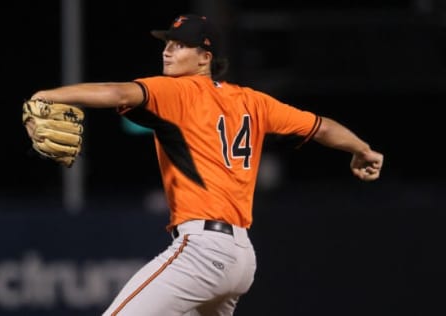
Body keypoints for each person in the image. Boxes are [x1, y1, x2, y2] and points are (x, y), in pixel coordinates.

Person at [25, 13, 383, 316]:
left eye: (179, 45)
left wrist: (46, 96)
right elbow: (321, 127)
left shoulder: (178, 91)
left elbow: (118, 92)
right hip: (241, 259)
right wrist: (362, 149)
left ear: (204, 57)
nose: (167, 50)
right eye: (167, 43)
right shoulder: (253, 102)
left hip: (202, 250)